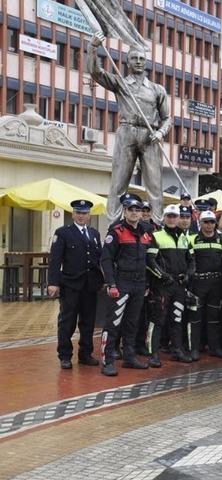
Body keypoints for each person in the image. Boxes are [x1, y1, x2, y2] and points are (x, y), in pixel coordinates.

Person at [87, 33, 170, 223]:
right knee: (119, 181)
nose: (138, 61)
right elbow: (95, 72)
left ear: (146, 61)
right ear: (128, 61)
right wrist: (93, 48)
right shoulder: (120, 83)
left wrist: (160, 132)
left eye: (142, 58)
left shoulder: (157, 89)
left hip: (150, 135)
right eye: (134, 58)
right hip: (127, 132)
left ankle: (157, 224)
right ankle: (114, 224)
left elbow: (167, 118)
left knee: (155, 185)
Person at [99, 194, 152, 376]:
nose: (135, 213)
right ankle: (107, 361)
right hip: (121, 282)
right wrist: (111, 284)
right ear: (125, 211)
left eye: (138, 210)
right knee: (113, 323)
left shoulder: (145, 231)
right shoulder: (117, 231)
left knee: (132, 323)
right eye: (131, 209)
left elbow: (148, 260)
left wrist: (146, 284)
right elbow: (106, 260)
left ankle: (129, 357)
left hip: (139, 283)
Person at [48, 200, 103, 369]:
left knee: (88, 322)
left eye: (84, 213)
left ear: (89, 215)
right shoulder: (63, 232)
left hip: (90, 285)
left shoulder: (94, 234)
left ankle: (85, 354)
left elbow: (99, 259)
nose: (81, 216)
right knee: (67, 322)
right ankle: (65, 356)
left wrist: (104, 280)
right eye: (78, 213)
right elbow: (55, 260)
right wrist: (53, 283)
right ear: (73, 214)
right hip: (70, 285)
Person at [146, 204, 195, 365]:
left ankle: (177, 351)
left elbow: (191, 261)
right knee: (158, 319)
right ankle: (153, 354)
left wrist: (188, 275)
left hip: (179, 286)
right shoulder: (156, 236)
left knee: (177, 319)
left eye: (175, 216)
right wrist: (163, 276)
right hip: (162, 286)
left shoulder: (184, 238)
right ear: (164, 218)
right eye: (169, 216)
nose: (172, 219)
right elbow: (150, 261)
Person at [188, 210, 222, 359]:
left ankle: (214, 347)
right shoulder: (192, 239)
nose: (209, 225)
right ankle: (195, 348)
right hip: (198, 283)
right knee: (196, 317)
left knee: (214, 317)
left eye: (212, 222)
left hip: (216, 284)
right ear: (200, 223)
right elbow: (189, 263)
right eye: (206, 221)